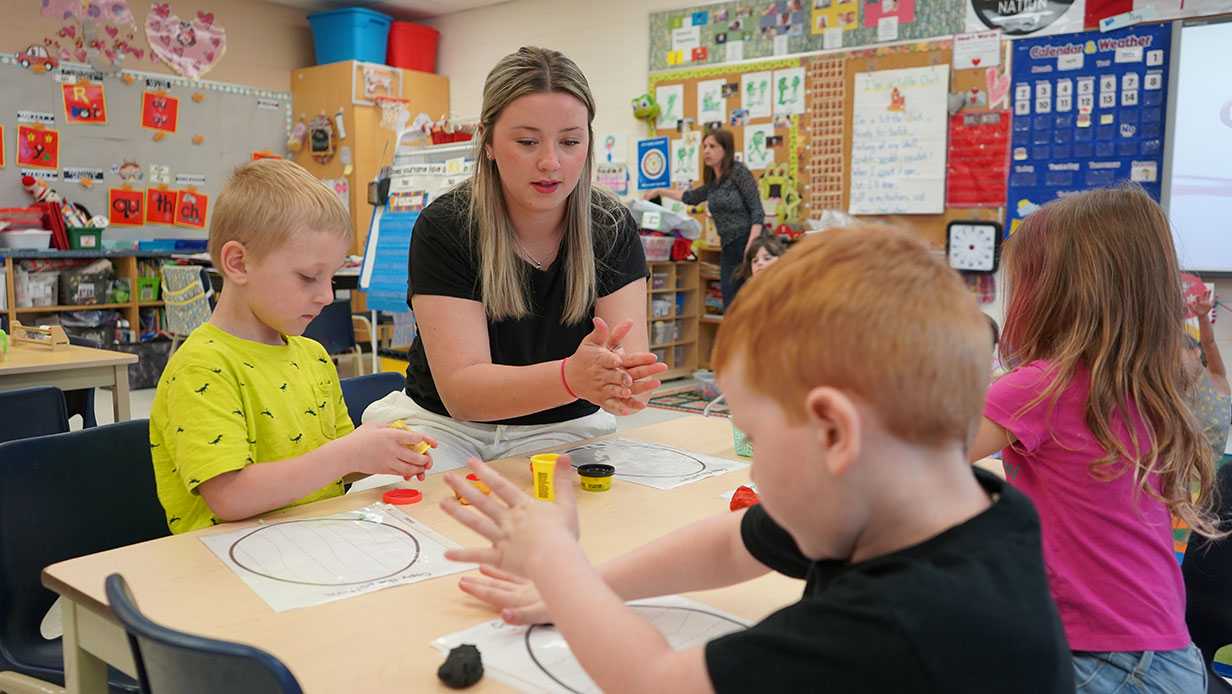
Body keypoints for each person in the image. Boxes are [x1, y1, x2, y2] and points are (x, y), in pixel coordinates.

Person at [439, 227, 1074, 693]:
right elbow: (736, 542)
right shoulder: (958, 506)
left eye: (757, 439)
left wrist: (558, 564)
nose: (754, 471)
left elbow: (655, 681)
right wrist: (588, 588)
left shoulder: (898, 628)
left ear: (834, 432)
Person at [361, 47, 666, 483]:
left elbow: (628, 364)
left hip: (566, 428)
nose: (551, 162)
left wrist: (625, 384)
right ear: (487, 141)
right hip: (446, 428)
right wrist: (572, 377)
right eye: (527, 142)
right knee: (397, 511)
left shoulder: (611, 226)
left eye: (570, 142)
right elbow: (464, 394)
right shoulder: (446, 225)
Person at [968, 186, 1223, 692]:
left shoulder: (1042, 387)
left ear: (1051, 294)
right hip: (1164, 658)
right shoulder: (1138, 385)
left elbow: (912, 459)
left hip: (1103, 663)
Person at [149, 159, 435, 533]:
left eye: (331, 278)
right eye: (309, 277)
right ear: (239, 263)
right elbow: (230, 497)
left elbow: (331, 467)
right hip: (226, 556)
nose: (327, 296)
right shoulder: (201, 367)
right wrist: (346, 453)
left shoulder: (313, 356)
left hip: (312, 539)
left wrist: (376, 452)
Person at [644, 128, 764, 309]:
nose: (706, 151)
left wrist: (751, 248)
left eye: (712, 146)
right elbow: (690, 197)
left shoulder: (739, 172)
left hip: (749, 243)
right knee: (731, 304)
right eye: (705, 146)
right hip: (729, 247)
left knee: (754, 303)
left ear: (725, 149)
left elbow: (757, 212)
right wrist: (660, 191)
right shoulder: (714, 184)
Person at [1184, 293, 1230, 466]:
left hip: (1206, 468)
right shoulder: (1180, 387)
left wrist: (1203, 317)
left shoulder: (1217, 377)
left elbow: (1209, 343)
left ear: (1196, 352)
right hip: (1183, 467)